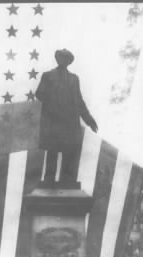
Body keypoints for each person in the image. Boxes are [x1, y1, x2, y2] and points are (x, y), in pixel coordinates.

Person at [35, 49, 98, 185]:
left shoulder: (74, 79)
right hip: (53, 121)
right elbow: (39, 94)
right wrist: (53, 94)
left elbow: (79, 101)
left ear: (69, 61)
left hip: (69, 122)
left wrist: (89, 120)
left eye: (66, 59)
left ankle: (67, 180)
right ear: (57, 59)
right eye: (60, 57)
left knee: (69, 152)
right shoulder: (48, 76)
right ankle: (49, 180)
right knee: (52, 151)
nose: (62, 60)